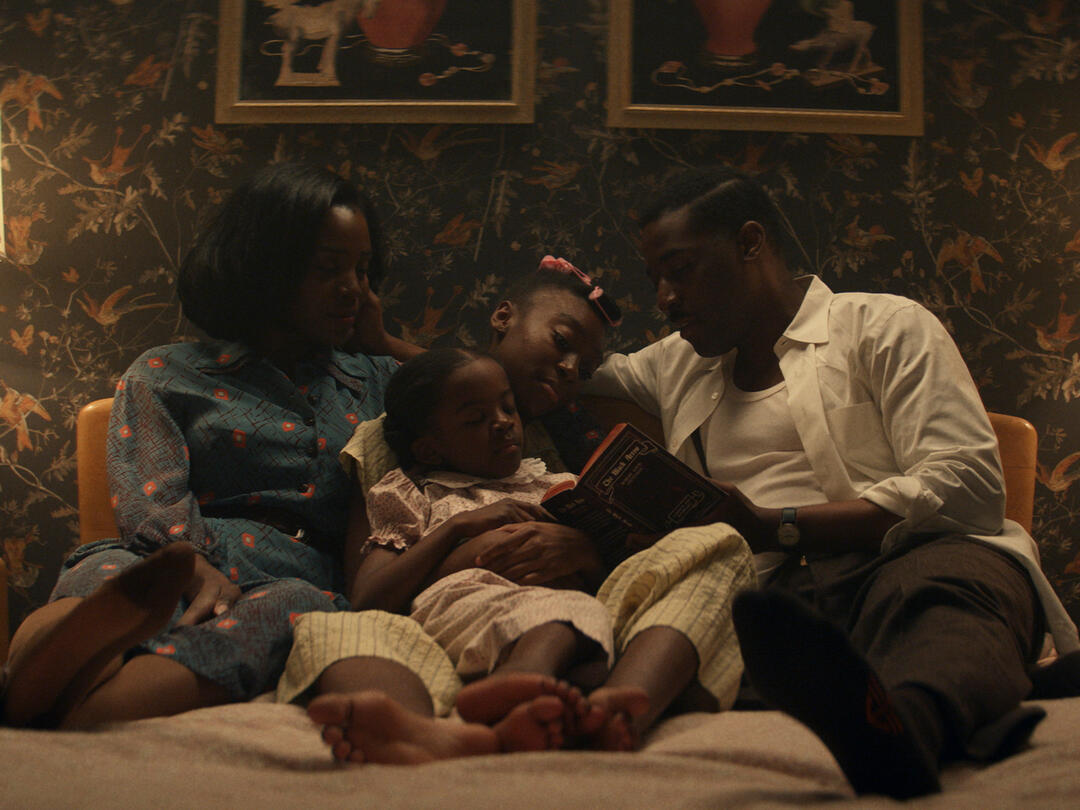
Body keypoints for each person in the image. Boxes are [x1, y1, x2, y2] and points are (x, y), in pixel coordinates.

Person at [582, 166, 1080, 798]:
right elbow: (551, 369)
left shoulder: (882, 326)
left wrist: (776, 525)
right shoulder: (677, 362)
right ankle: (986, 694)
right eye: (655, 277)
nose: (665, 297)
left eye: (680, 270)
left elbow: (968, 484)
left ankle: (908, 728)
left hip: (900, 559)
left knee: (950, 587)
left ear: (750, 243)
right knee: (731, 629)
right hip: (769, 591)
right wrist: (538, 312)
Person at [278, 257, 756, 762]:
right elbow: (369, 596)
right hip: (445, 620)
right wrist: (463, 539)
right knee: (333, 628)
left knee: (719, 543)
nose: (570, 370)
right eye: (562, 340)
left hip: (580, 621)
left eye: (585, 371)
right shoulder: (404, 466)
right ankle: (434, 728)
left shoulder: (560, 461)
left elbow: (634, 564)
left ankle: (615, 709)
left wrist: (586, 550)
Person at [0, 161, 404, 728]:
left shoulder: (378, 382)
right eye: (327, 268)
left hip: (290, 576)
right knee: (106, 573)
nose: (353, 289)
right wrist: (190, 564)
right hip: (163, 557)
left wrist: (383, 341)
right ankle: (41, 668)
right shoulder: (166, 373)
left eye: (362, 270)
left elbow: (485, 395)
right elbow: (150, 495)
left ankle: (89, 706)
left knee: (293, 608)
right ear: (265, 268)